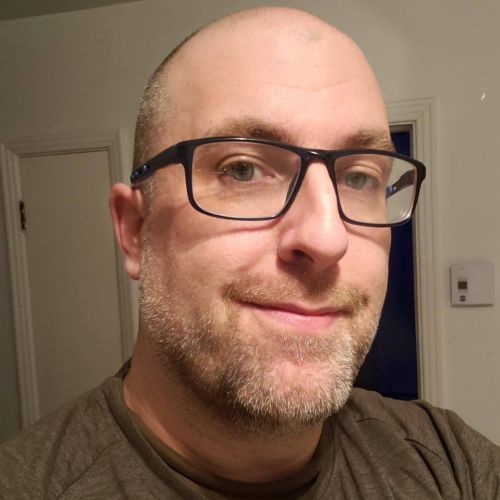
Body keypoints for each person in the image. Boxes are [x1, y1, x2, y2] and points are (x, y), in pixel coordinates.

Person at [1, 6, 499, 499]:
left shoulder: (449, 464)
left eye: (359, 177)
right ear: (135, 230)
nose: (328, 238)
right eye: (243, 170)